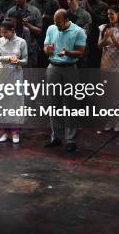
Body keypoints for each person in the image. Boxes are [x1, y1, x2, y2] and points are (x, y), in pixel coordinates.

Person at [43, 9, 86, 152]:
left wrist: (67, 52)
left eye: (59, 22)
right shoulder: (51, 28)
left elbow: (80, 52)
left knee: (70, 104)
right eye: (54, 21)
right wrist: (48, 50)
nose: (56, 24)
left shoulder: (78, 31)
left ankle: (71, 139)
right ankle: (56, 137)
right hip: (53, 67)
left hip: (69, 68)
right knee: (53, 104)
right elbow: (45, 47)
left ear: (66, 19)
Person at [97, 5, 119, 131]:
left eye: (112, 14)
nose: (109, 16)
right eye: (108, 14)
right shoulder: (103, 28)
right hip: (105, 65)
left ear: (118, 14)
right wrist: (106, 37)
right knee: (108, 94)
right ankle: (110, 119)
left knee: (118, 94)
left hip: (118, 66)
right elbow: (99, 46)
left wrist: (111, 37)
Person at [0, 20, 28, 144]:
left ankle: (15, 131)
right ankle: (4, 131)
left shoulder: (21, 42)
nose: (3, 34)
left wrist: (17, 61)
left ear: (13, 30)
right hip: (2, 75)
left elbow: (25, 60)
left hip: (15, 75)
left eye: (5, 32)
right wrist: (8, 58)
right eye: (1, 32)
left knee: (15, 103)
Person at [5, 0, 42, 67]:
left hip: (30, 48)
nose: (16, 0)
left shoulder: (35, 11)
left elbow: (39, 31)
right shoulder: (10, 12)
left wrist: (28, 25)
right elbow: (4, 30)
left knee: (29, 75)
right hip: (13, 48)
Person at [79, 0, 108, 68]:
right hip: (83, 37)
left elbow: (102, 20)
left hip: (96, 37)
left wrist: (87, 5)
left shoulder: (103, 5)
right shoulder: (80, 4)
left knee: (95, 61)